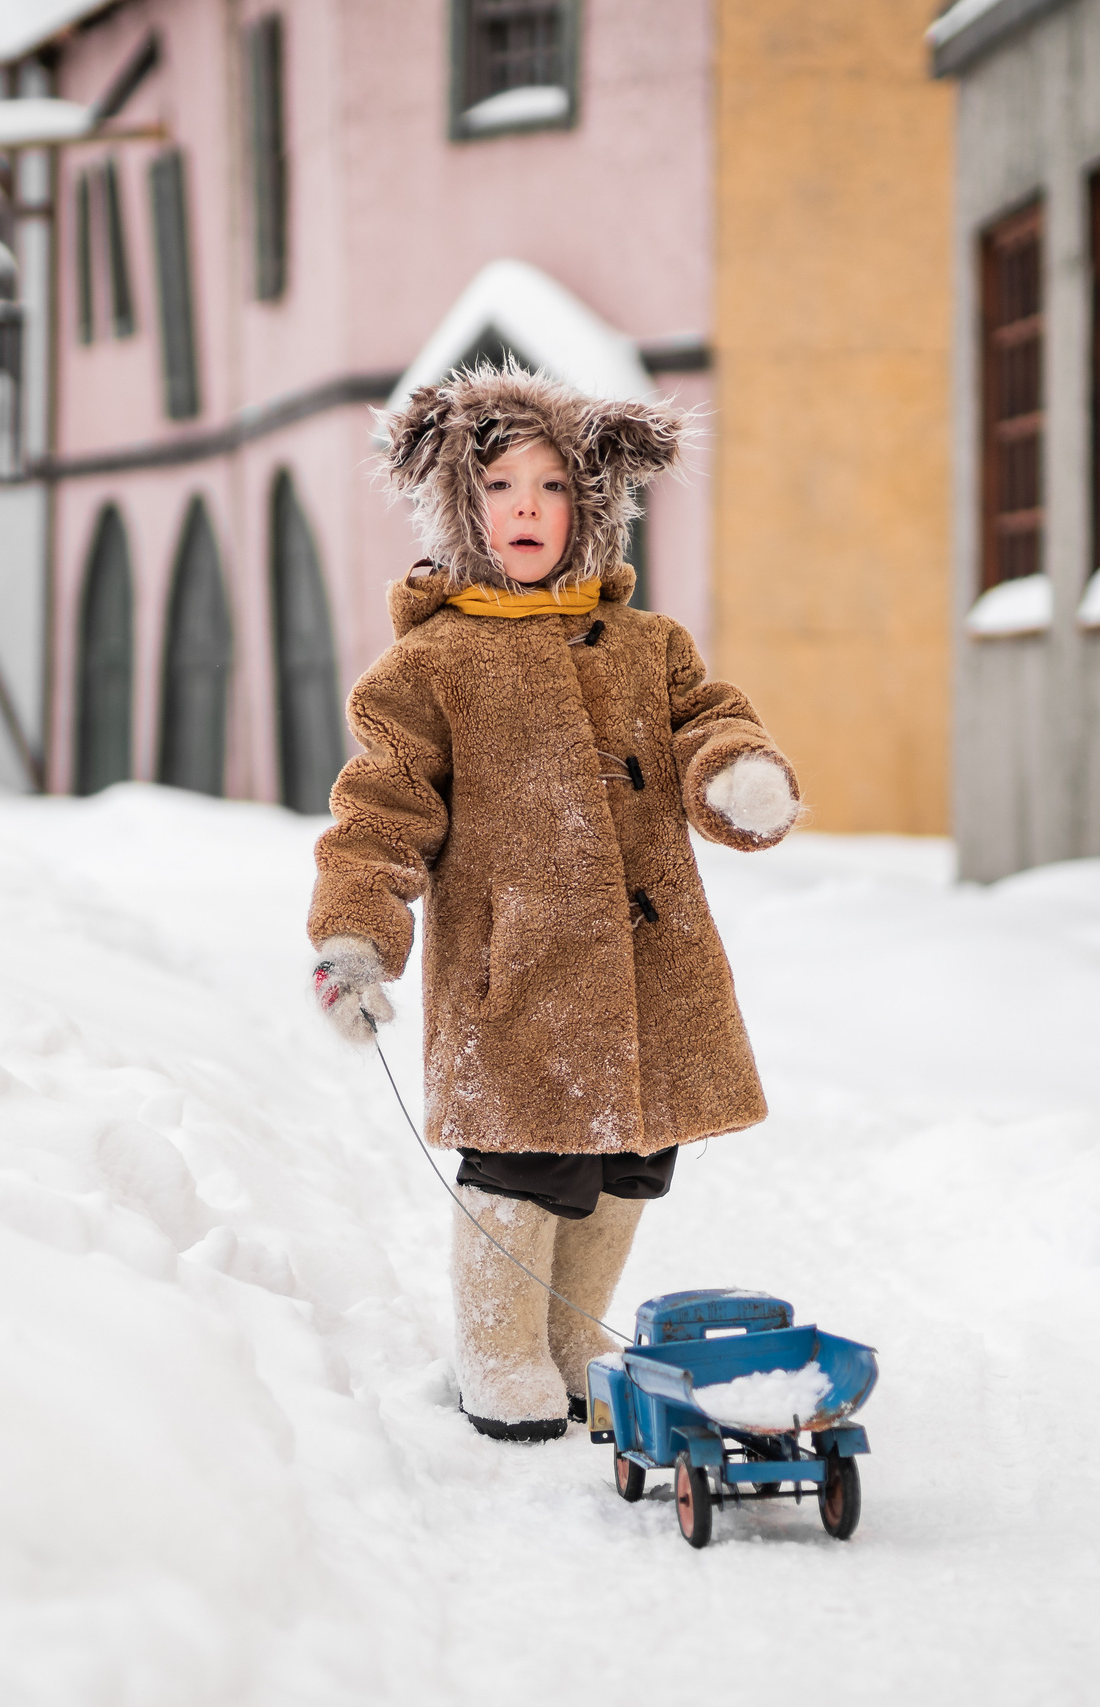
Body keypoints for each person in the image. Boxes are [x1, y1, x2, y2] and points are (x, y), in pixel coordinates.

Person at [305, 363, 802, 1441]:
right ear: (461, 508)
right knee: (528, 1165)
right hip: (515, 972)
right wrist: (355, 939)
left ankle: (575, 1342)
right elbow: (381, 813)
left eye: (551, 488)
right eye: (499, 488)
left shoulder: (646, 646)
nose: (526, 509)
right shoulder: (429, 665)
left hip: (650, 966)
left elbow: (704, 722)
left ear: (590, 508)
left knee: (631, 1157)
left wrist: (732, 775)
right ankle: (497, 1353)